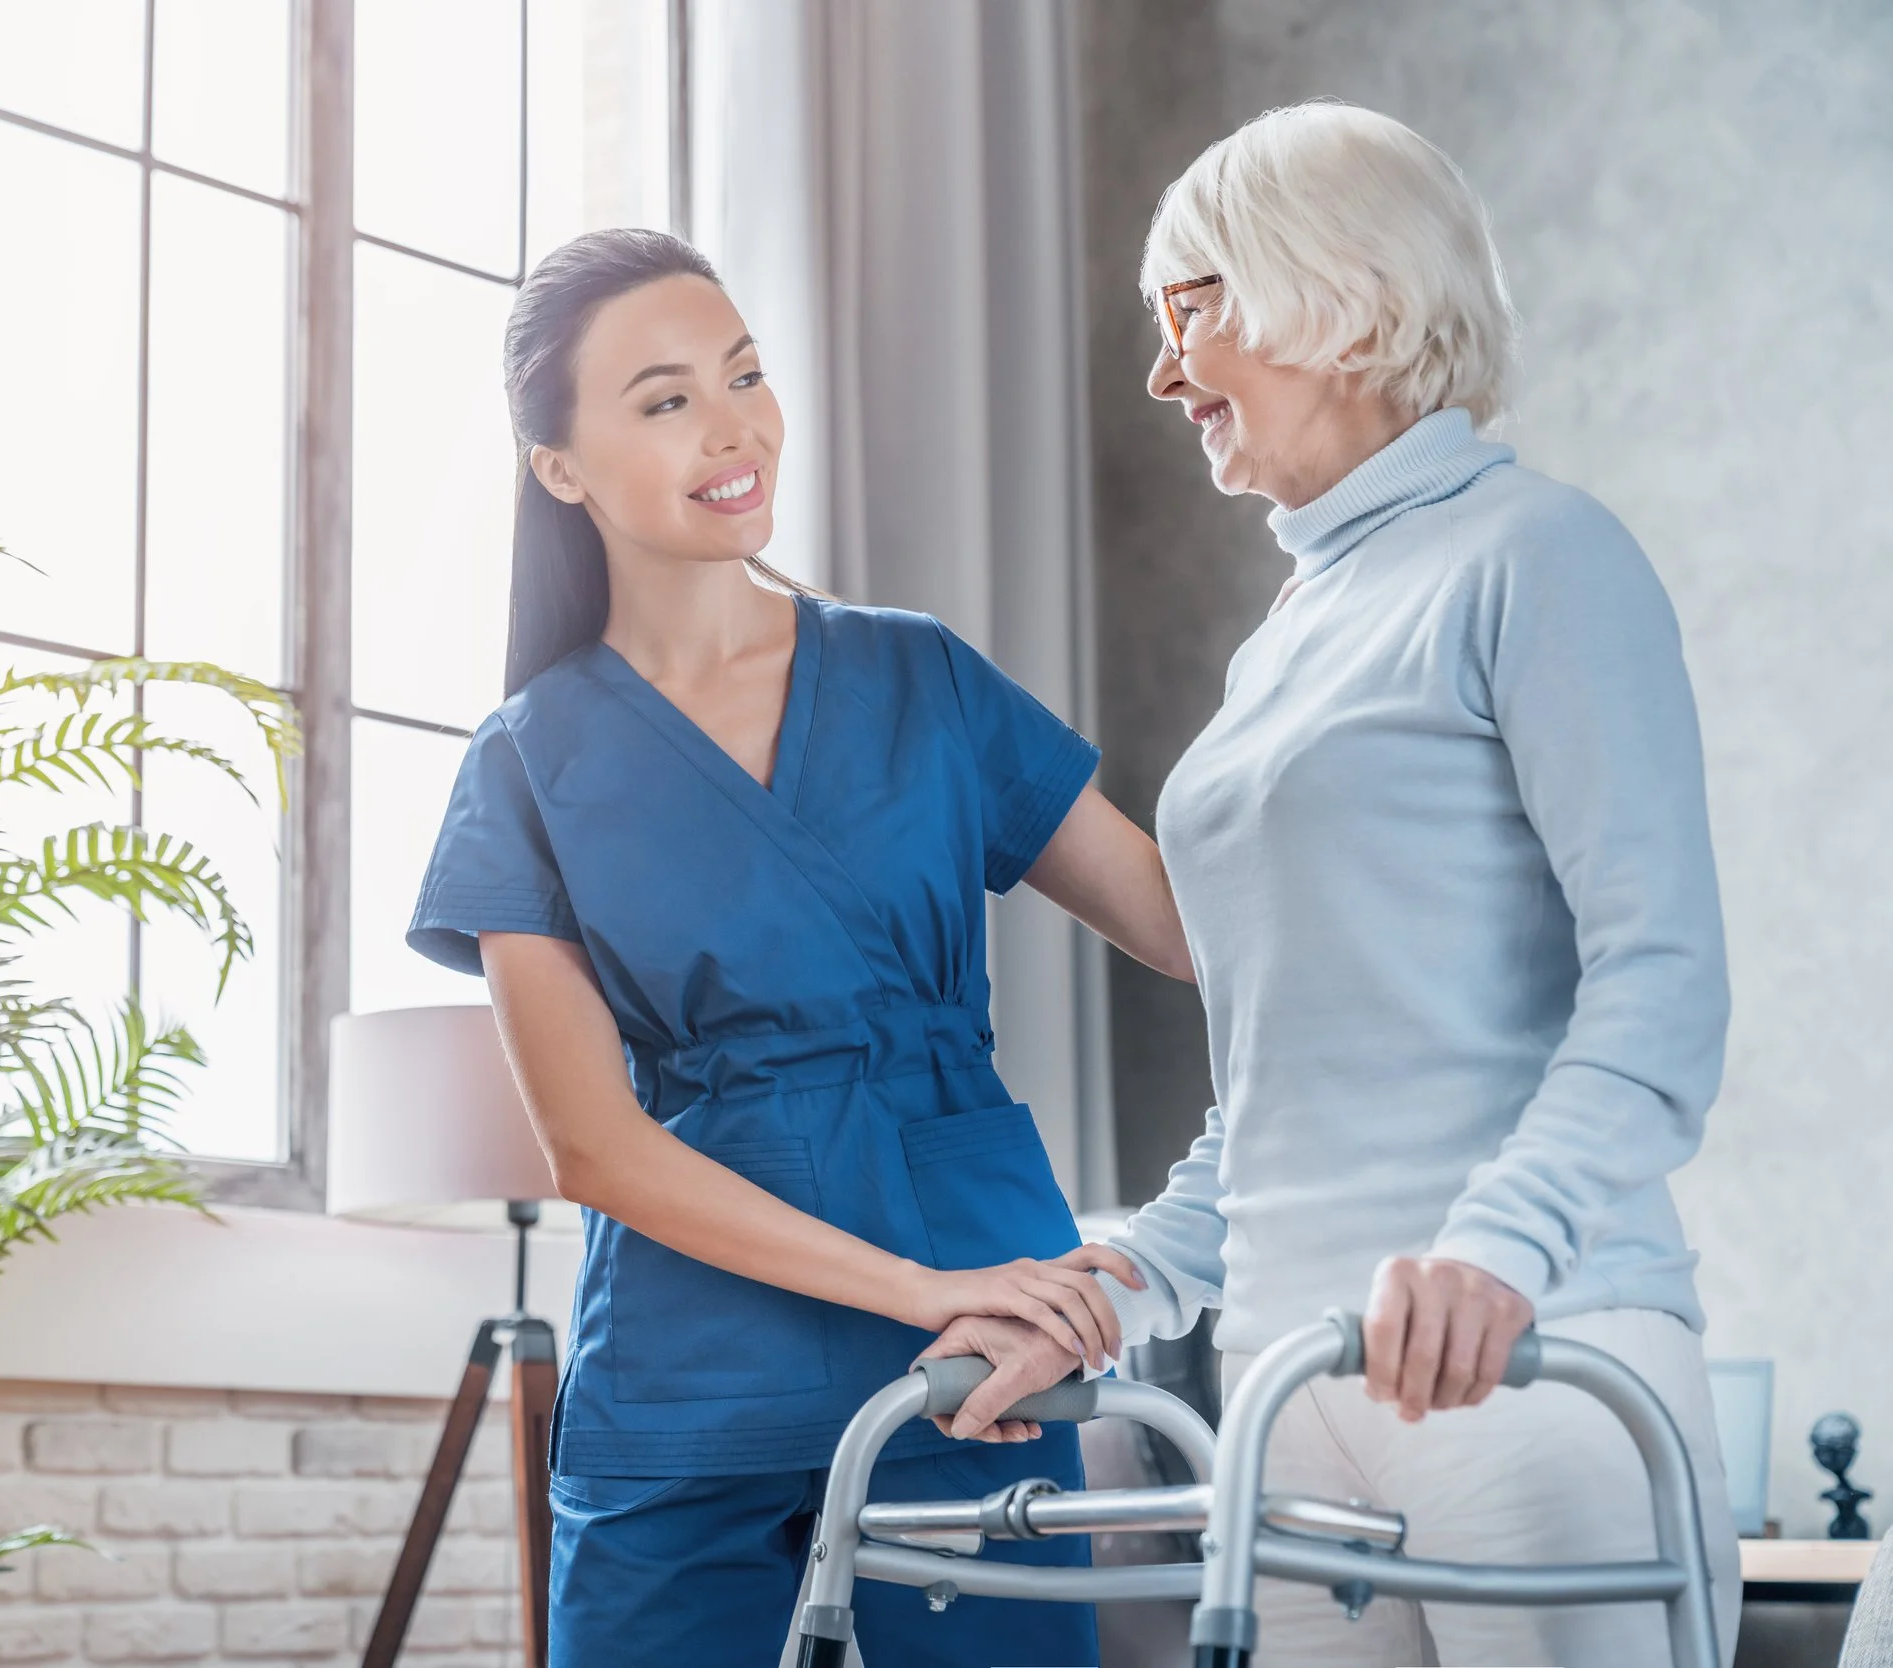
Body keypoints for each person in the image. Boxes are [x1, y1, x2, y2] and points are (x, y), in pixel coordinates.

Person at [967, 101, 1740, 1667]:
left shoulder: (1538, 555)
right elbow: (1284, 1082)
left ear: (1340, 289)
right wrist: (1135, 1273)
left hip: (1533, 1360)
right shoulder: (1284, 648)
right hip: (1286, 1387)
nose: (1165, 373)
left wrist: (1494, 1254)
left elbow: (1662, 979)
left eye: (1192, 310)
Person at [406, 227, 1193, 1667]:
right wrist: (916, 1289)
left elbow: (1182, 929)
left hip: (974, 1374)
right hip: (694, 1379)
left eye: (747, 375)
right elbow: (594, 1152)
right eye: (664, 399)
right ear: (560, 467)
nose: (735, 428)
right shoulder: (526, 763)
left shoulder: (922, 678)